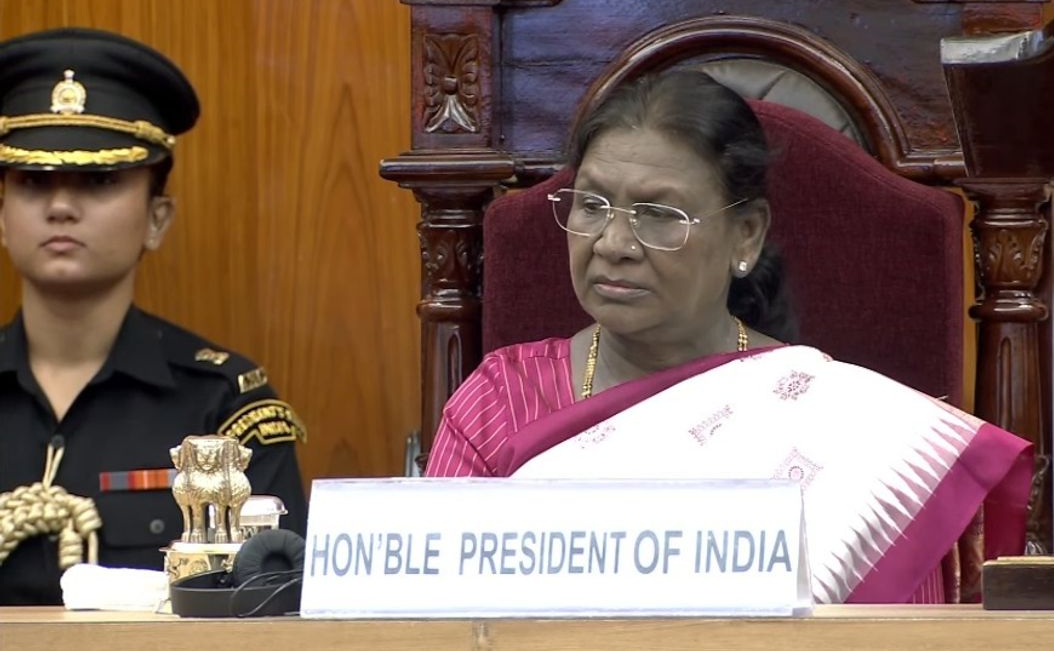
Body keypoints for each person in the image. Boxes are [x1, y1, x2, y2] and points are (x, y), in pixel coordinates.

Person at [424, 70, 1032, 604]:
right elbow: (422, 617)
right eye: (592, 206)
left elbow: (898, 626)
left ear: (745, 234)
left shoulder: (847, 430)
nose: (612, 245)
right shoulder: (499, 402)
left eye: (659, 215)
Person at [0, 27, 308, 605]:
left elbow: (269, 610)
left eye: (99, 181)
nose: (61, 206)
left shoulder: (224, 411)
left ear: (157, 219)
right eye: (33, 181)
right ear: (1, 214)